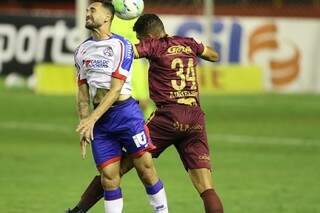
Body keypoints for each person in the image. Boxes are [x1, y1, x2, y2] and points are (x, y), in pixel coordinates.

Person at [67, 13, 223, 213]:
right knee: (206, 188)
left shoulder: (153, 46)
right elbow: (213, 55)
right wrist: (194, 48)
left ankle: (78, 210)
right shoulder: (188, 43)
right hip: (195, 119)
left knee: (117, 168)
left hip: (168, 118)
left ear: (148, 36)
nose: (140, 41)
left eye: (141, 38)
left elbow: (125, 50)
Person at [73, 2, 168, 213]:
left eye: (92, 10)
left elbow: (115, 90)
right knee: (109, 178)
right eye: (87, 10)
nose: (87, 13)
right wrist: (84, 121)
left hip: (126, 115)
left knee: (146, 170)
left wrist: (91, 119)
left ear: (107, 17)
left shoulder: (122, 46)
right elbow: (82, 93)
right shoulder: (81, 51)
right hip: (101, 123)